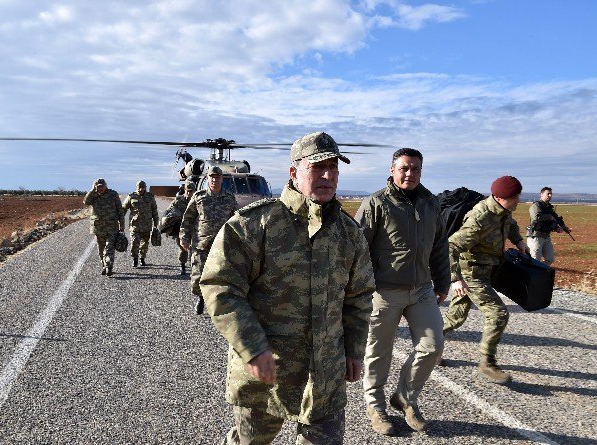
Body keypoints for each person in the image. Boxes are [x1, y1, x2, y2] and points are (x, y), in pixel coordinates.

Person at [200, 131, 376, 445]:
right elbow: (221, 286)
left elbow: (359, 296)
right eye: (317, 167)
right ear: (294, 173)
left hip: (325, 374)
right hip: (267, 374)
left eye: (334, 167)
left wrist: (354, 349)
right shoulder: (254, 225)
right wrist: (252, 348)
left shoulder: (349, 233)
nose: (327, 175)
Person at [355, 148, 450, 435]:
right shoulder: (376, 203)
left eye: (416, 169)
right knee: (378, 352)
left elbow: (439, 246)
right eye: (405, 168)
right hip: (383, 292)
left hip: (421, 290)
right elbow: (358, 250)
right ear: (393, 169)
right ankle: (376, 407)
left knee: (433, 347)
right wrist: (359, 289)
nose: (410, 174)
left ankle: (405, 398)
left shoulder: (430, 203)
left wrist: (442, 283)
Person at [442, 176, 529, 384]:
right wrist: (455, 280)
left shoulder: (504, 211)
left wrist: (519, 241)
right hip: (471, 273)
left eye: (518, 196)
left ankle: (429, 344)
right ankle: (487, 362)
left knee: (456, 316)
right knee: (498, 313)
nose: (517, 200)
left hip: (486, 270)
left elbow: (511, 224)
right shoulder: (480, 218)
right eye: (513, 197)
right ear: (499, 197)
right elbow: (451, 246)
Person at [180, 166, 237, 314]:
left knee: (221, 275)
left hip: (221, 244)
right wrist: (184, 237)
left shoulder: (229, 198)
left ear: (221, 179)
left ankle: (217, 302)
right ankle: (200, 297)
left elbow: (235, 221)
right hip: (201, 243)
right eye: (211, 176)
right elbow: (188, 218)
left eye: (217, 177)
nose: (214, 179)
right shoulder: (199, 197)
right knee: (198, 276)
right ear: (207, 178)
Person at [83, 178, 125, 276]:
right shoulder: (93, 195)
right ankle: (104, 265)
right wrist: (93, 190)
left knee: (109, 247)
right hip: (98, 227)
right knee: (101, 249)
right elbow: (85, 202)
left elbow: (120, 210)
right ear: (95, 186)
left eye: (102, 186)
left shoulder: (113, 194)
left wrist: (122, 224)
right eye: (98, 186)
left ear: (106, 185)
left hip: (112, 226)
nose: (100, 188)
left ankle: (109, 266)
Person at [526, 187, 571, 265]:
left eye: (551, 194)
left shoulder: (549, 207)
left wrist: (562, 227)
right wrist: (550, 216)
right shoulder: (536, 205)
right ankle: (531, 274)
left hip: (546, 236)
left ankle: (540, 272)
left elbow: (556, 219)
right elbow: (536, 217)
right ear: (542, 194)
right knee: (534, 259)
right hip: (536, 236)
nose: (550, 195)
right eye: (548, 194)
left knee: (550, 259)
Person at [160, 180, 196, 275]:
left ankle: (194, 267)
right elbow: (168, 211)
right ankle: (182, 265)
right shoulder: (178, 200)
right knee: (183, 248)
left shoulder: (197, 200)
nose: (188, 193)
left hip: (193, 228)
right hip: (180, 229)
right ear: (184, 190)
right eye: (187, 190)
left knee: (194, 248)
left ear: (194, 191)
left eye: (191, 191)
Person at [122, 180, 159, 268]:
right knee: (134, 242)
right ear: (136, 187)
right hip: (135, 224)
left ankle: (142, 258)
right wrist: (120, 219)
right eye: (139, 187)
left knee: (145, 243)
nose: (140, 189)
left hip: (147, 224)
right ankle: (135, 259)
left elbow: (154, 210)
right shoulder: (131, 196)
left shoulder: (150, 197)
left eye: (142, 187)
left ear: (145, 187)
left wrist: (156, 222)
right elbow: (124, 208)